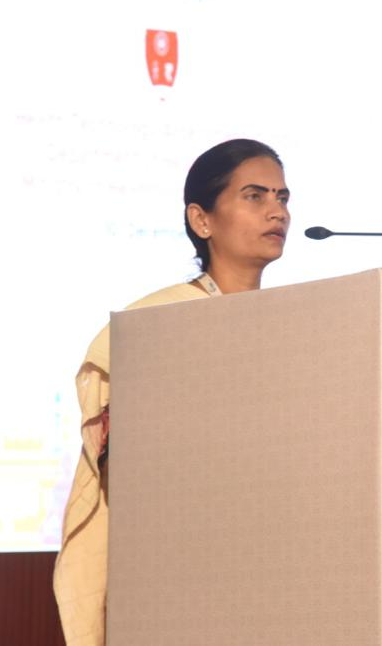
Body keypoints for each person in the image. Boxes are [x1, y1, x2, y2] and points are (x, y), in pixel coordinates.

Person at [53, 138, 290, 646]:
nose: (277, 211)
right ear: (201, 220)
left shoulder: (298, 329)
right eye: (255, 196)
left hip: (273, 563)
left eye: (282, 197)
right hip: (179, 571)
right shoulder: (155, 323)